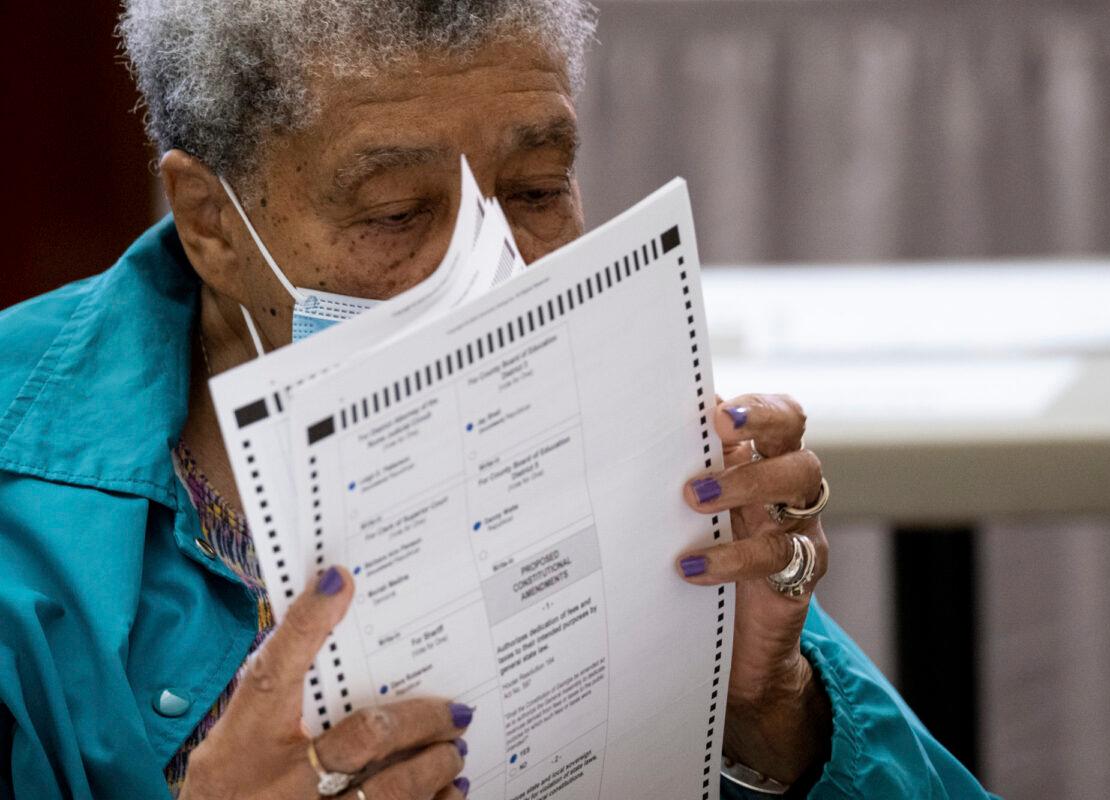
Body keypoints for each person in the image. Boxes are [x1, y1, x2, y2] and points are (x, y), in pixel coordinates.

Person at [0, 2, 995, 798]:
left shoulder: (609, 391)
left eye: (534, 189)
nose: (498, 273)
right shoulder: (23, 503)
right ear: (210, 222)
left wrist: (774, 721)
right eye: (396, 212)